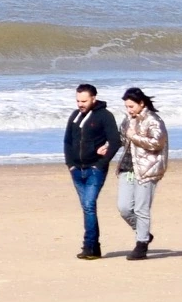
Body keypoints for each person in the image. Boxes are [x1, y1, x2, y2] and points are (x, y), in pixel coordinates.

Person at [61, 84, 119, 260]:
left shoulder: (105, 116)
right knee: (87, 208)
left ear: (94, 98)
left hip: (95, 169)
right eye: (78, 100)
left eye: (84, 101)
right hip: (77, 170)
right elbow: (67, 141)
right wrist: (70, 164)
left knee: (88, 205)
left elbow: (115, 141)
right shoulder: (75, 116)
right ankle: (94, 248)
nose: (80, 104)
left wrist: (101, 163)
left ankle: (89, 246)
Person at [116, 87, 169, 261]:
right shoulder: (127, 119)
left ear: (141, 104)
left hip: (147, 169)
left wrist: (135, 136)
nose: (129, 110)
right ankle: (144, 233)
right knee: (124, 207)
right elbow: (122, 139)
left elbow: (157, 142)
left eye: (131, 106)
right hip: (128, 167)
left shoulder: (153, 120)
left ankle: (141, 244)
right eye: (126, 107)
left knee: (141, 208)